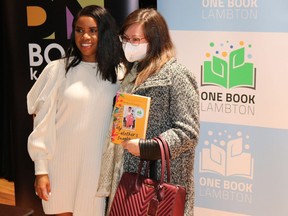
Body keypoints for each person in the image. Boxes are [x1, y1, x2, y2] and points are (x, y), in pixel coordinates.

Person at [96, 8, 200, 216]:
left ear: (156, 41)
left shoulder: (176, 75)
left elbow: (188, 132)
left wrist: (148, 148)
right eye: (125, 38)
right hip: (129, 176)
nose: (128, 45)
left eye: (136, 40)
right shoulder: (132, 73)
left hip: (159, 183)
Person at [27, 5, 121, 216]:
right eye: (79, 30)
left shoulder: (120, 75)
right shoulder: (58, 69)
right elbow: (41, 121)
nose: (85, 36)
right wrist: (41, 170)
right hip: (59, 167)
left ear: (104, 33)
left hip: (96, 171)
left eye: (92, 30)